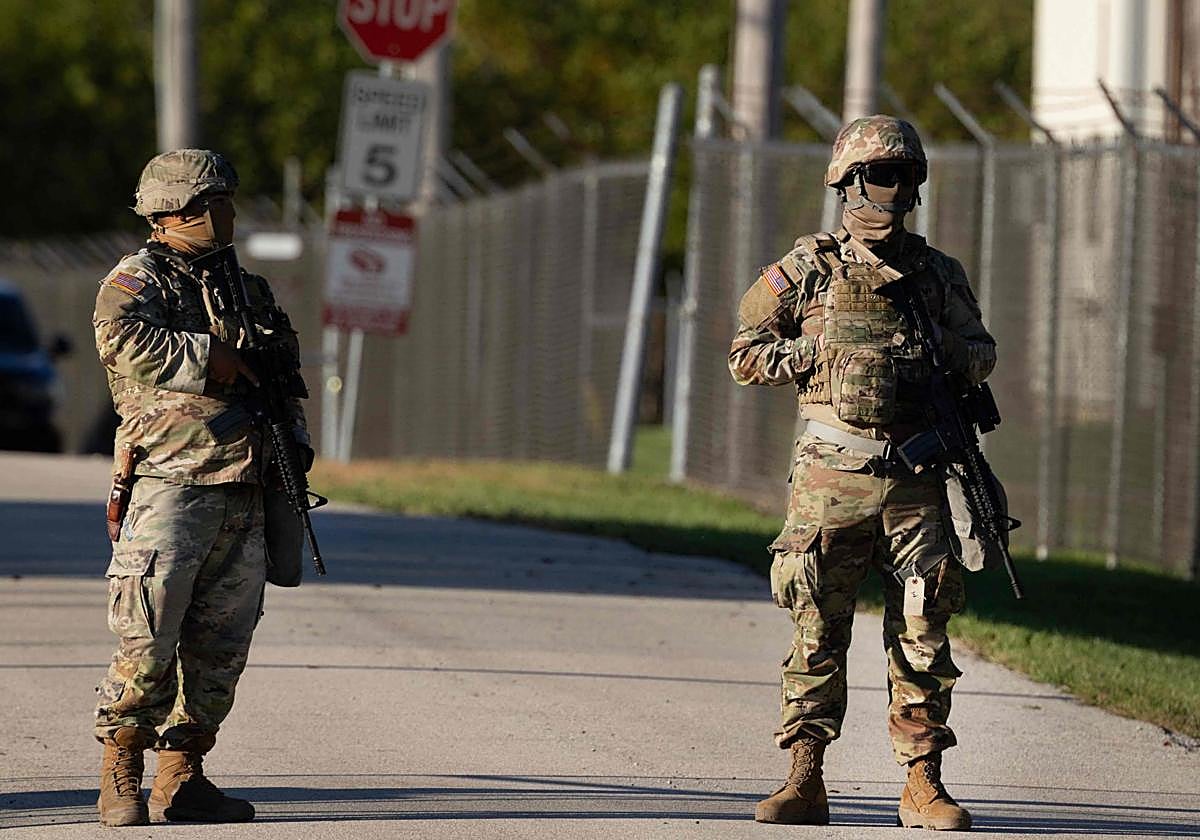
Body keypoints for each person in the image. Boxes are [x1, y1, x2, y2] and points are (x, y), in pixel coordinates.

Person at [729, 116, 997, 831]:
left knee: (923, 630)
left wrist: (942, 350)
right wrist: (811, 352)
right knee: (817, 626)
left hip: (915, 481)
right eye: (882, 174)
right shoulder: (808, 267)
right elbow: (744, 351)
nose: (895, 188)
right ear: (847, 181)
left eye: (906, 176)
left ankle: (922, 784)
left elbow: (982, 350)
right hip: (831, 476)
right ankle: (805, 778)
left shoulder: (937, 275)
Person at [92, 149, 310, 826]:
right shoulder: (136, 282)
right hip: (171, 485)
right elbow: (118, 342)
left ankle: (182, 776)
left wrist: (295, 443)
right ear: (178, 210)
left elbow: (282, 375)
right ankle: (121, 772)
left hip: (247, 485)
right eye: (219, 202)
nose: (230, 213)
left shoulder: (252, 290)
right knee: (148, 636)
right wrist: (204, 354)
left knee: (221, 647)